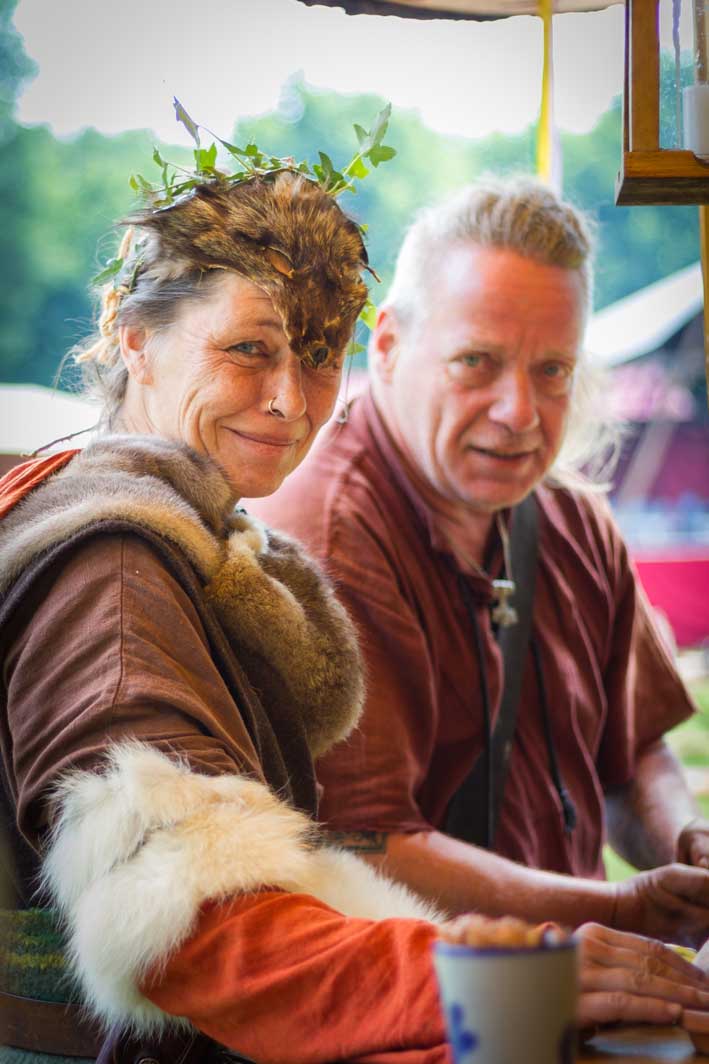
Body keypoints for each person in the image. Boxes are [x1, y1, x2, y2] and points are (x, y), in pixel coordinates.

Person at [1, 160, 709, 1064]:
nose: (290, 399)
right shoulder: (114, 568)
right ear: (134, 338)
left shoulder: (186, 532)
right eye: (247, 348)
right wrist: (506, 975)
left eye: (317, 353)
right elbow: (194, 928)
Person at [252, 176, 709, 947]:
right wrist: (623, 912)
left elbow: (631, 752)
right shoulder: (326, 541)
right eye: (476, 361)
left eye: (552, 370)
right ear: (388, 347)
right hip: (426, 1005)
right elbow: (364, 849)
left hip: (563, 985)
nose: (519, 413)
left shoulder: (571, 518)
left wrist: (684, 846)